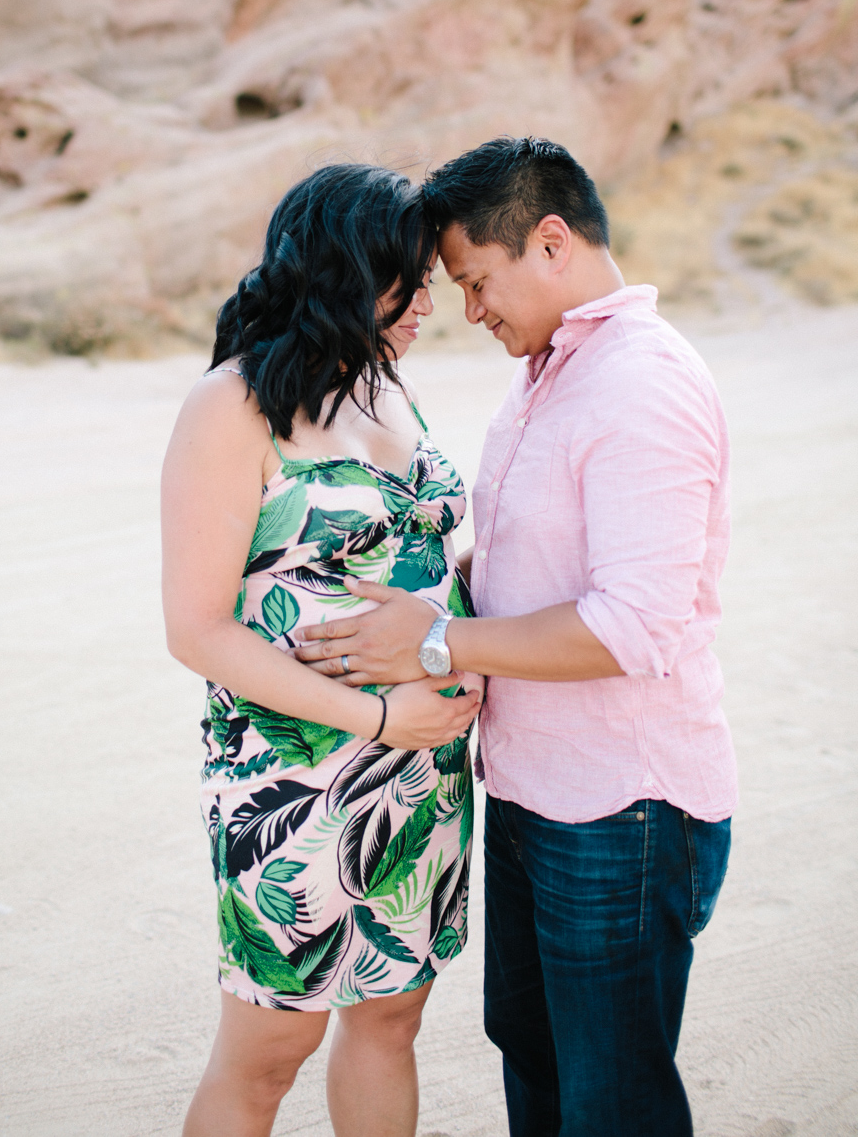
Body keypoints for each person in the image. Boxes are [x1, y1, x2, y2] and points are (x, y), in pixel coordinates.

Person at [294, 137, 737, 1137]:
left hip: (622, 808)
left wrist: (440, 641)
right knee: (536, 1062)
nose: (469, 309)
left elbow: (632, 625)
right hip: (535, 791)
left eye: (475, 280)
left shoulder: (640, 384)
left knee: (608, 1096)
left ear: (549, 243)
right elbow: (524, 561)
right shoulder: (550, 373)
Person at [161, 163, 482, 1137]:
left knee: (390, 1020)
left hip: (423, 779)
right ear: (347, 273)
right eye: (410, 278)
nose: (431, 300)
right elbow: (196, 629)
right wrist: (382, 713)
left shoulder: (390, 387)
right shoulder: (232, 405)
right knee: (268, 1055)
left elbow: (429, 548)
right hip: (291, 787)